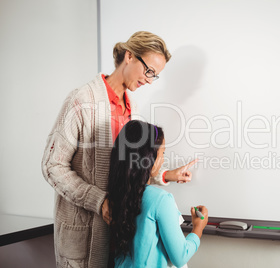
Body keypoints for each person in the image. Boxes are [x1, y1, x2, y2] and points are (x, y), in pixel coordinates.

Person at [41, 31, 196, 268]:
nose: (149, 80)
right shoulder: (82, 101)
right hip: (85, 235)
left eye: (155, 76)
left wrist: (165, 175)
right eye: (149, 71)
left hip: (120, 240)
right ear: (130, 56)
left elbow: (130, 166)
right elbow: (52, 166)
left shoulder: (132, 108)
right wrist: (99, 200)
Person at [108, 120, 208, 267]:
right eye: (162, 153)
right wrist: (198, 228)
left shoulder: (116, 195)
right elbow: (180, 257)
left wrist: (168, 175)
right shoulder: (161, 200)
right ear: (148, 157)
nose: (163, 159)